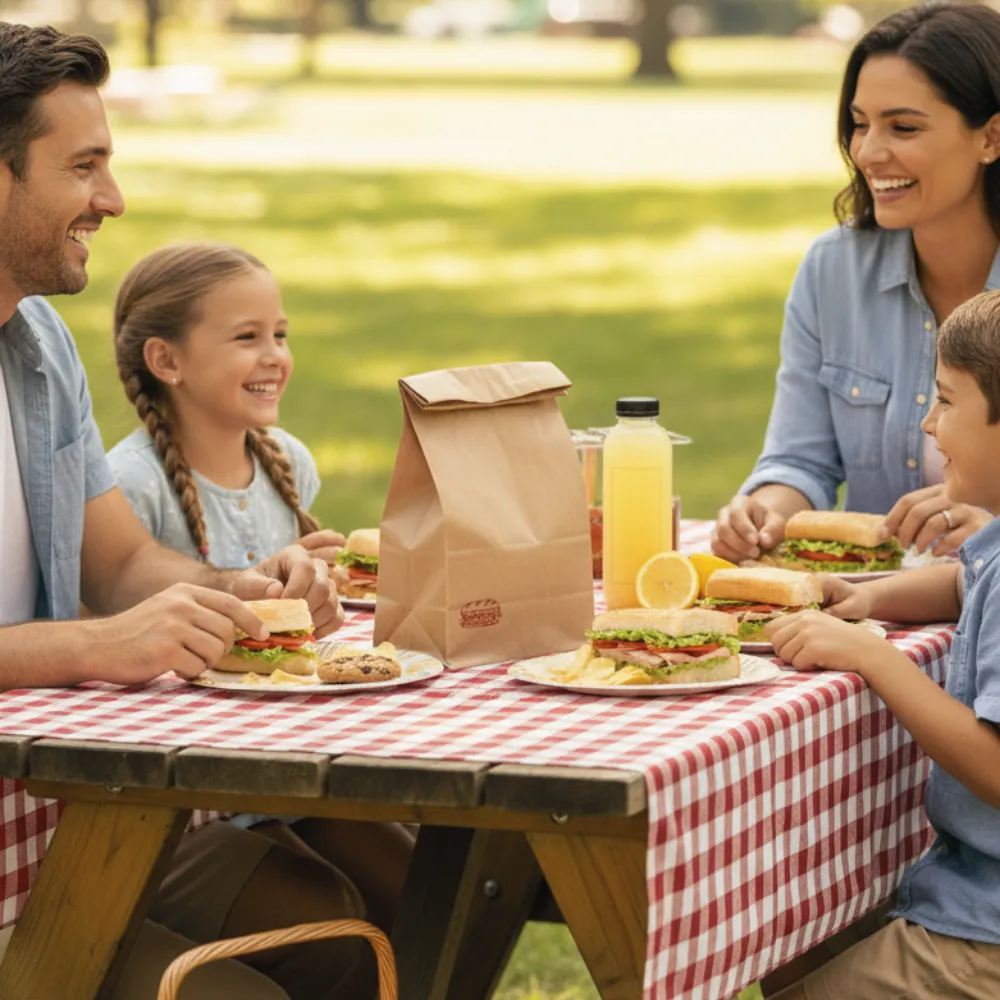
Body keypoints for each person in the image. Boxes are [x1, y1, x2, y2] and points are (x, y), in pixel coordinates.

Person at [0, 22, 375, 1000]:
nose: (113, 202)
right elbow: (108, 622)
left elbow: (120, 564)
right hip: (29, 852)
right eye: (83, 168)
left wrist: (233, 590)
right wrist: (92, 647)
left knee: (351, 933)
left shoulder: (35, 345)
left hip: (69, 817)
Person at [106, 242, 413, 940]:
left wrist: (320, 599)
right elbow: (118, 642)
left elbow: (304, 643)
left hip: (289, 773)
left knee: (430, 891)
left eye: (280, 334)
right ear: (167, 361)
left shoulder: (288, 464)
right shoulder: (130, 487)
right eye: (247, 338)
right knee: (337, 925)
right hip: (185, 796)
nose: (275, 355)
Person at [762, 288, 1000, 998]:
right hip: (968, 899)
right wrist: (868, 599)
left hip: (983, 937)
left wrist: (873, 655)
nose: (929, 425)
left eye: (948, 402)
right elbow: (966, 583)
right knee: (792, 953)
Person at [713, 1, 1000, 568]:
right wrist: (764, 511)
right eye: (860, 123)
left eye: (904, 127)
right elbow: (801, 462)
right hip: (872, 610)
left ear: (991, 137)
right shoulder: (833, 270)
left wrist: (992, 536)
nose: (868, 152)